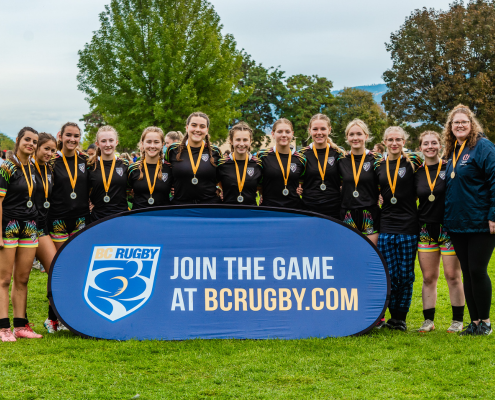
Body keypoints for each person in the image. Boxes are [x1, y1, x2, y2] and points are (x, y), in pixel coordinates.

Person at [443, 104, 495, 336]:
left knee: (477, 270)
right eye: (456, 123)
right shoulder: (454, 149)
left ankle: (485, 322)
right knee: (466, 271)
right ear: (450, 127)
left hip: (481, 222)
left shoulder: (483, 147)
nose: (460, 125)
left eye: (464, 121)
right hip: (458, 222)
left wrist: (493, 215)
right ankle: (473, 322)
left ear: (472, 124)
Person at [415, 130, 464, 333]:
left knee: (453, 275)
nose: (430, 147)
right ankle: (428, 321)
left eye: (434, 143)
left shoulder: (450, 167)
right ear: (420, 148)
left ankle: (458, 321)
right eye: (425, 144)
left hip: (448, 228)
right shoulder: (416, 171)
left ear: (440, 145)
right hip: (426, 228)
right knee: (428, 277)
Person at [375, 126, 422, 331]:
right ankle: (389, 317)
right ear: (384, 142)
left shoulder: (414, 162)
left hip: (409, 225)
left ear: (404, 141)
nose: (394, 143)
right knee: (389, 274)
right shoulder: (379, 165)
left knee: (405, 275)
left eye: (398, 139)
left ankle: (400, 318)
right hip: (386, 225)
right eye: (390, 139)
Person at [0, 127, 43, 341]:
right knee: (4, 279)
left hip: (30, 227)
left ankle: (20, 326)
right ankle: (3, 328)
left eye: (34, 141)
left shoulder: (34, 167)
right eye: (27, 140)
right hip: (8, 227)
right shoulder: (6, 168)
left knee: (23, 278)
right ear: (18, 140)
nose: (31, 144)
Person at [338, 119, 381, 246]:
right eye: (351, 134)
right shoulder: (341, 160)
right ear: (347, 137)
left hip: (370, 214)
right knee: (349, 255)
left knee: (370, 256)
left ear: (366, 136)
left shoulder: (376, 159)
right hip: (347, 214)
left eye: (359, 134)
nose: (355, 138)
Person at [48, 122, 90, 250]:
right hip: (58, 218)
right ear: (60, 136)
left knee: (78, 257)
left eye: (76, 136)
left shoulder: (86, 160)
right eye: (68, 135)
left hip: (81, 218)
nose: (72, 139)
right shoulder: (51, 161)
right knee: (61, 259)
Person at [165, 112, 222, 205]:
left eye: (202, 126)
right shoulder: (173, 150)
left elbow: (222, 176)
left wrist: (221, 189)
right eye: (194, 125)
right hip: (180, 205)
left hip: (209, 205)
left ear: (207, 130)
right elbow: (166, 172)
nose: (197, 129)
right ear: (187, 128)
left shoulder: (215, 151)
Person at [298, 114, 343, 219]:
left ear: (329, 130)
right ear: (310, 131)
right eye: (315, 129)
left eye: (323, 129)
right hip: (309, 210)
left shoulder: (338, 153)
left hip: (334, 210)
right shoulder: (301, 154)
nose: (319, 133)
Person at [257, 119, 306, 209]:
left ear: (292, 134)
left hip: (294, 209)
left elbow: (304, 178)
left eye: (287, 132)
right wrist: (261, 193)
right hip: (269, 208)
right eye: (279, 131)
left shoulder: (301, 158)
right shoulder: (262, 156)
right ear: (273, 134)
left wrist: (300, 187)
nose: (284, 135)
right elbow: (256, 180)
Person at [88, 126, 129, 221]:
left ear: (116, 142)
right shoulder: (90, 166)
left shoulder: (125, 164)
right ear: (97, 144)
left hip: (121, 216)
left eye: (111, 140)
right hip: (97, 218)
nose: (108, 144)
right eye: (103, 141)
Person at [217, 122, 262, 205]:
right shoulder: (221, 163)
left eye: (245, 140)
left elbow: (262, 186)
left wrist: (263, 195)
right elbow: (213, 182)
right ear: (231, 141)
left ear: (250, 141)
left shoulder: (258, 163)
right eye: (238, 140)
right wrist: (218, 190)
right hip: (228, 213)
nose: (241, 144)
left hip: (251, 213)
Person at [128, 127, 172, 209]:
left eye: (156, 142)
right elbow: (124, 194)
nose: (152, 146)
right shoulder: (132, 169)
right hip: (139, 217)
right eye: (148, 142)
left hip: (163, 217)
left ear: (162, 144)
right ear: (142, 143)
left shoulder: (170, 168)